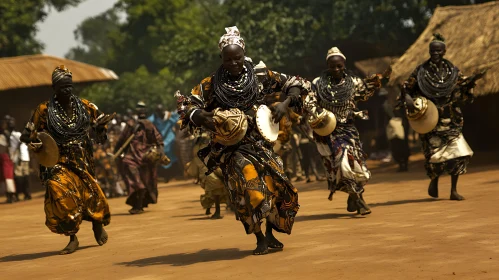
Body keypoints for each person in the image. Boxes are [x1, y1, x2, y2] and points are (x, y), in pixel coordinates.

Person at [177, 26, 307, 255]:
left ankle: (269, 234)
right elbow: (187, 105)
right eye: (229, 59)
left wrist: (285, 105)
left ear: (243, 54)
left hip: (261, 143)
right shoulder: (211, 84)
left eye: (238, 58)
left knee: (278, 188)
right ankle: (259, 238)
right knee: (250, 191)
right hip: (231, 149)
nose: (234, 63)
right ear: (221, 58)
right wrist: (201, 116)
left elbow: (295, 83)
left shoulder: (260, 75)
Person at [20, 65, 111, 255]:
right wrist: (35, 141)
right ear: (54, 88)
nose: (67, 90)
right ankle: (72, 236)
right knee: (58, 189)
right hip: (58, 159)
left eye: (69, 86)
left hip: (82, 158)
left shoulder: (86, 106)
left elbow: (102, 136)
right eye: (62, 87)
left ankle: (96, 223)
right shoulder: (44, 110)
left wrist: (100, 128)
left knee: (88, 193)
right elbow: (26, 134)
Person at [307, 47, 391, 215]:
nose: (336, 69)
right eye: (332, 66)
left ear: (344, 64)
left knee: (357, 166)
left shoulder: (353, 82)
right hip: (329, 133)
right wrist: (319, 116)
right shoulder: (317, 84)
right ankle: (359, 200)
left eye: (339, 66)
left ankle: (353, 198)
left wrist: (381, 80)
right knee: (342, 163)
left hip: (350, 130)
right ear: (327, 66)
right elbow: (310, 103)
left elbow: (366, 91)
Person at [401, 33, 485, 200]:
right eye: (433, 51)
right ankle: (434, 179)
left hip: (451, 118)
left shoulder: (452, 71)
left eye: (439, 51)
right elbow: (406, 87)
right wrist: (408, 98)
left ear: (444, 51)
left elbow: (463, 84)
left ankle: (453, 190)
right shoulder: (421, 71)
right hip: (430, 119)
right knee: (435, 156)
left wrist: (472, 80)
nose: (435, 54)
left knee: (459, 153)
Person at [115, 101, 164, 214]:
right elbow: (121, 140)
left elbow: (158, 140)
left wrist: (160, 152)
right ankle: (137, 204)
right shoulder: (131, 124)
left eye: (143, 108)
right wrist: (116, 153)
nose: (141, 110)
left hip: (146, 158)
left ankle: (139, 205)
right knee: (135, 181)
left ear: (146, 111)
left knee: (144, 182)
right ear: (136, 110)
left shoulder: (149, 125)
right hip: (131, 157)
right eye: (139, 108)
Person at [185, 129, 230, 219]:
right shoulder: (196, 143)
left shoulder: (213, 138)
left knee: (215, 187)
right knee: (210, 188)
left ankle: (217, 210)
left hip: (214, 166)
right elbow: (196, 159)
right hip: (204, 168)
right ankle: (210, 208)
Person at [148, 104, 180, 181]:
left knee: (172, 156)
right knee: (161, 156)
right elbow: (148, 123)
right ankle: (165, 175)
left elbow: (178, 121)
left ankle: (175, 174)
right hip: (161, 140)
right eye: (158, 112)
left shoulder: (170, 116)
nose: (160, 113)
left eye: (161, 111)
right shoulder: (154, 119)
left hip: (170, 139)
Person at [8, 117, 32, 200]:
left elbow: (19, 144)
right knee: (25, 175)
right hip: (24, 157)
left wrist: (17, 156)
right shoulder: (20, 134)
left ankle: (21, 194)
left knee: (19, 176)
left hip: (20, 158)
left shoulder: (15, 134)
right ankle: (26, 194)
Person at [0, 117, 16, 203]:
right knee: (6, 177)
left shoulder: (4, 134)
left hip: (6, 157)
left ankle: (11, 195)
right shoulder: (6, 134)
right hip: (5, 157)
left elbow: (5, 147)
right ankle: (10, 195)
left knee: (7, 177)